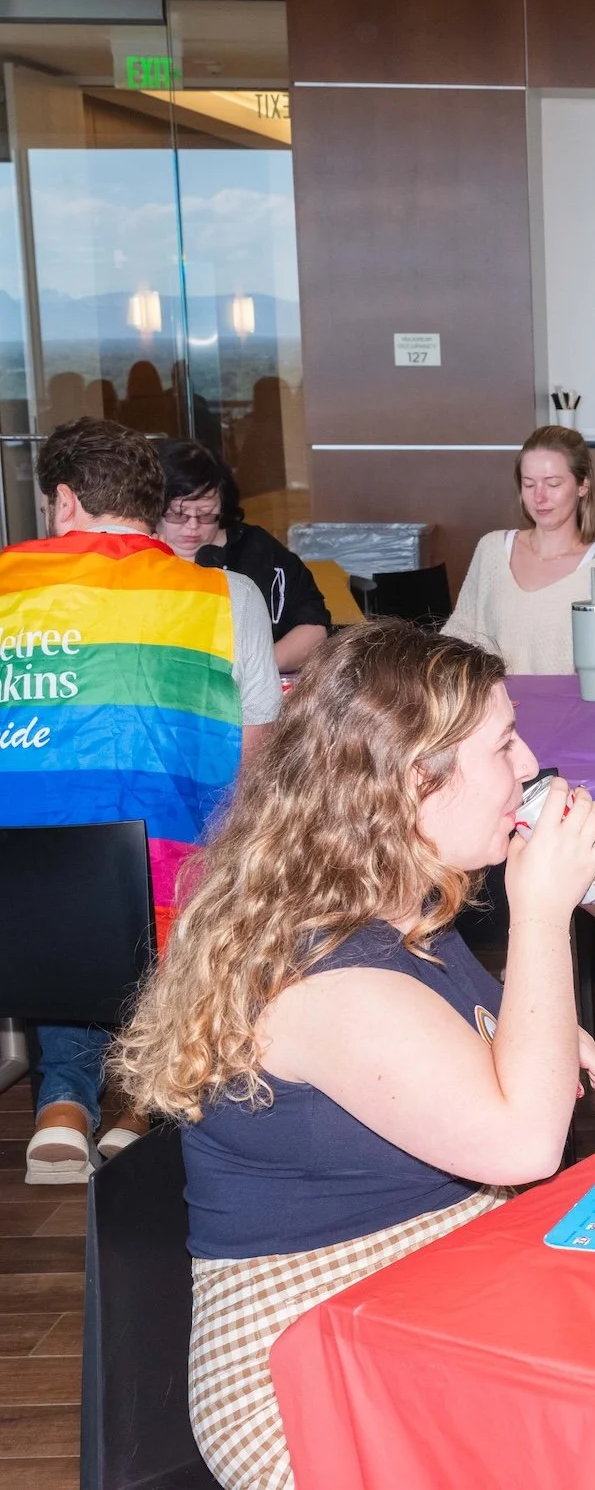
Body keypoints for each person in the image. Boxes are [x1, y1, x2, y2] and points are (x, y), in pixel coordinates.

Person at [109, 622, 595, 1489]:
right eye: (503, 743)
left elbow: (437, 1040)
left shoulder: (390, 899)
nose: (528, 763)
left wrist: (528, 1021)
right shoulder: (324, 975)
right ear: (414, 780)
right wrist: (543, 913)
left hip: (425, 1295)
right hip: (310, 1359)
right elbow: (522, 1145)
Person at [0, 417, 283, 1183]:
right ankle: (146, 1106)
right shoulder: (224, 594)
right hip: (175, 888)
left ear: (64, 500)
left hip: (23, 899)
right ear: (151, 504)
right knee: (189, 870)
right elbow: (256, 759)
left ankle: (63, 1105)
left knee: (64, 865)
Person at [442, 425, 595, 675]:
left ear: (582, 486)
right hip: (495, 701)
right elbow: (458, 637)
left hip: (573, 703)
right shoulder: (492, 550)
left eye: (553, 484)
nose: (539, 497)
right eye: (529, 484)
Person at [157, 438, 331, 673]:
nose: (192, 526)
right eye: (178, 515)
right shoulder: (136, 558)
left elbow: (313, 626)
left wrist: (257, 668)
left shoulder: (257, 550)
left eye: (206, 514)